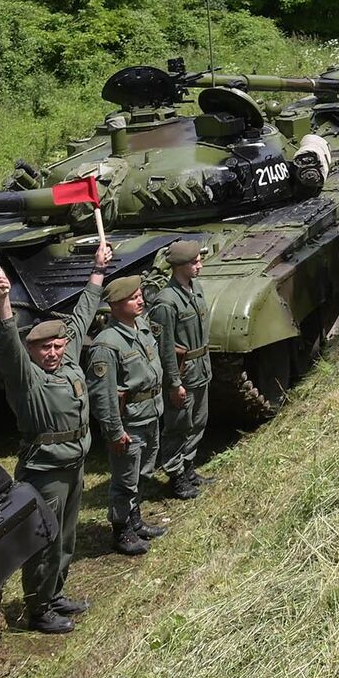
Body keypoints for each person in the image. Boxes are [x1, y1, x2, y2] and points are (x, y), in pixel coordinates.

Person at [0, 241, 113, 634]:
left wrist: (97, 270)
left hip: (73, 464)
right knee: (44, 541)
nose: (54, 351)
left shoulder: (68, 357)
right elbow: (9, 344)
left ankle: (55, 593)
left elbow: (81, 316)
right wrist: (4, 301)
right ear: (33, 350)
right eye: (44, 347)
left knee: (66, 536)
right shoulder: (27, 379)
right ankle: (38, 610)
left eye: (58, 345)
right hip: (44, 471)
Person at [87, 275, 169, 555]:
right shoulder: (106, 345)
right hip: (129, 422)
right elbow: (102, 395)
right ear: (116, 305)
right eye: (133, 297)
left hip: (150, 413)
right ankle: (121, 531)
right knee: (125, 479)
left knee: (143, 470)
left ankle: (135, 520)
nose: (141, 300)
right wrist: (113, 431)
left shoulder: (141, 327)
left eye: (139, 295)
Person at [149, 238, 214, 501]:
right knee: (177, 426)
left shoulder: (194, 289)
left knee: (198, 421)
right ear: (179, 266)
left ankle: (188, 467)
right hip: (183, 374)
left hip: (201, 368)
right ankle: (176, 476)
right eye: (194, 262)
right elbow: (165, 348)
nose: (199, 265)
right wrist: (174, 383)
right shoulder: (166, 302)